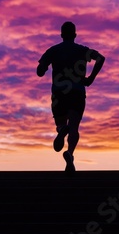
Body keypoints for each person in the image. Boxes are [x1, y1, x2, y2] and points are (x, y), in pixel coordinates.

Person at [37, 21, 105, 173]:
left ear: (61, 35)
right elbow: (101, 58)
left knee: (62, 123)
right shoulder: (82, 50)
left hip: (59, 93)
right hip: (77, 91)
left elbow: (40, 71)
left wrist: (43, 67)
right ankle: (70, 153)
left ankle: (62, 129)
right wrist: (91, 78)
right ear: (75, 35)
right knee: (74, 127)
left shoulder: (53, 50)